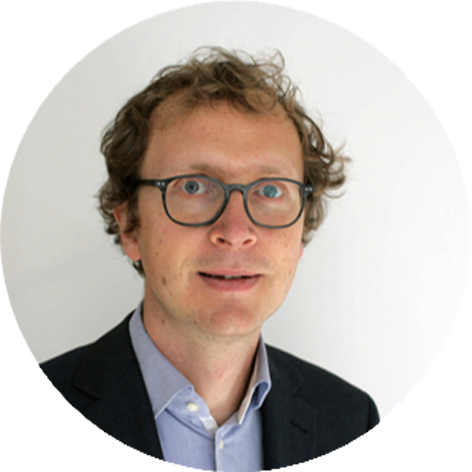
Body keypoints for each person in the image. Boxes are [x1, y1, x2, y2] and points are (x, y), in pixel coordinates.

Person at [41, 47, 380, 471]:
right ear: (130, 227)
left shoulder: (349, 421)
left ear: (301, 231)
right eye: (193, 187)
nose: (236, 231)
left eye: (270, 190)